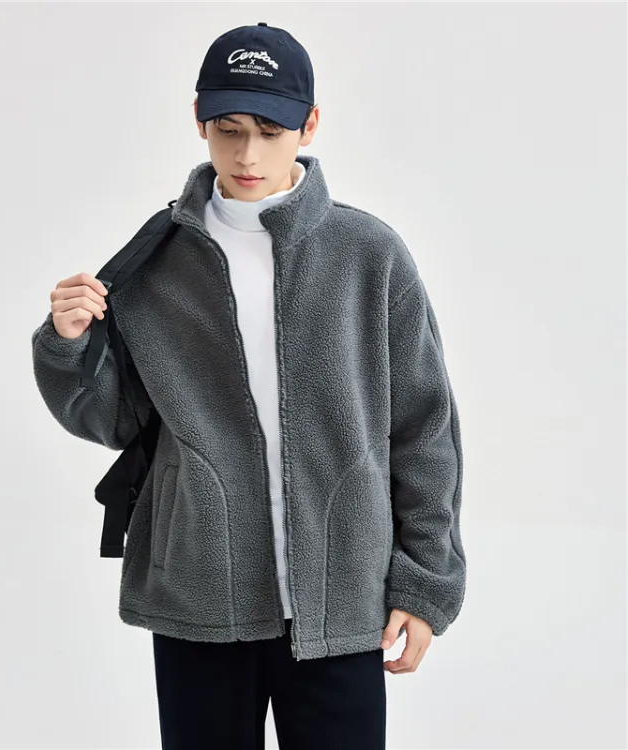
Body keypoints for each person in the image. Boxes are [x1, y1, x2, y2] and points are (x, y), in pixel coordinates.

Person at [31, 22, 467, 750]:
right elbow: (114, 422)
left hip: (343, 600)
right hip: (200, 596)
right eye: (228, 130)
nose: (247, 155)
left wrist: (424, 584)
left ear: (310, 124)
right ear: (199, 121)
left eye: (270, 131)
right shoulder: (155, 262)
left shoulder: (369, 256)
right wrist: (68, 346)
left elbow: (425, 432)